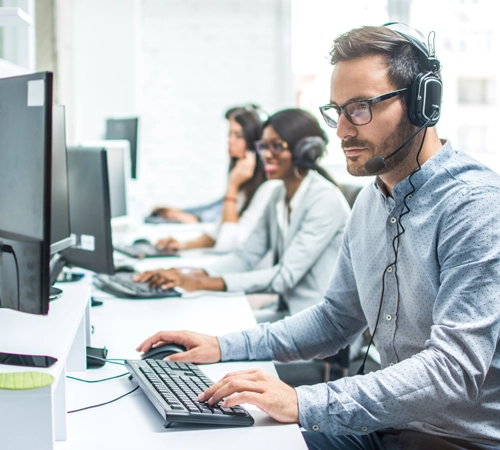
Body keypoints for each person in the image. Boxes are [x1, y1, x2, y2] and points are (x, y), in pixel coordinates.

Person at [136, 25, 500, 450]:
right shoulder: (370, 202)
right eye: (337, 111)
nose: (342, 131)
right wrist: (221, 345)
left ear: (423, 103)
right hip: (384, 428)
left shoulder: (474, 208)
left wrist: (302, 401)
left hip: (454, 441)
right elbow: (334, 320)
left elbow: (452, 371)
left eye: (360, 108)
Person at [135, 108, 350, 319]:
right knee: (210, 329)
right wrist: (186, 276)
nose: (266, 155)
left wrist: (198, 283)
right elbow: (245, 256)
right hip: (290, 313)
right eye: (263, 146)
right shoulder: (278, 194)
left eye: (276, 146)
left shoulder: (324, 199)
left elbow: (284, 277)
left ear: (305, 150)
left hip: (322, 324)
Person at [154, 107, 281, 253]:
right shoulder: (245, 182)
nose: (230, 141)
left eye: (238, 136)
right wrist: (182, 245)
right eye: (229, 134)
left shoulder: (268, 188)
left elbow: (227, 244)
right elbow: (217, 233)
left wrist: (232, 187)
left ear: (254, 143)